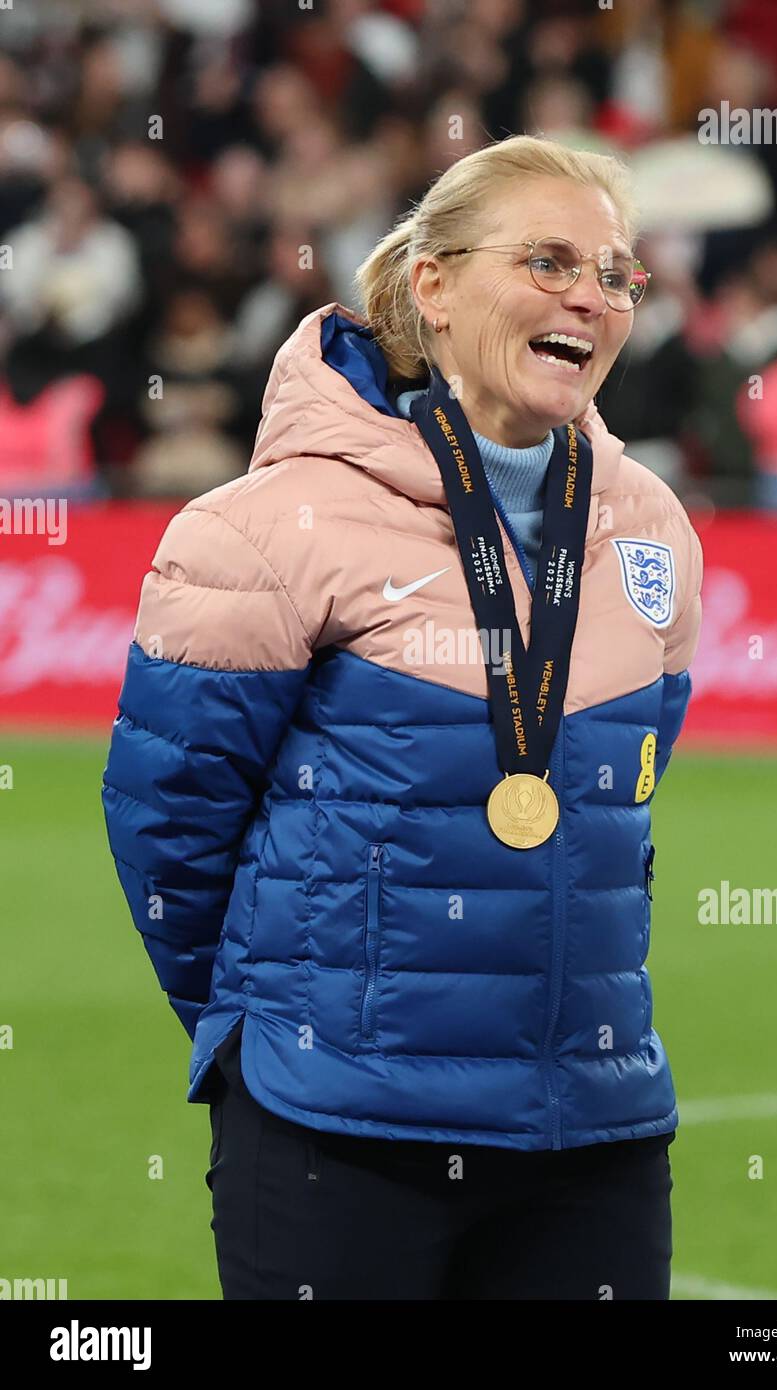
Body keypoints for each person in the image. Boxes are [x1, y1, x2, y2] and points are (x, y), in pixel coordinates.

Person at [101, 134, 703, 1300]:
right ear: (431, 285)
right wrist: (268, 1027)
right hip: (338, 1129)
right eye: (546, 260)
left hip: (595, 1127)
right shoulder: (267, 525)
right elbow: (167, 826)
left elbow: (624, 791)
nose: (590, 294)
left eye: (614, 272)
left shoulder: (649, 527)